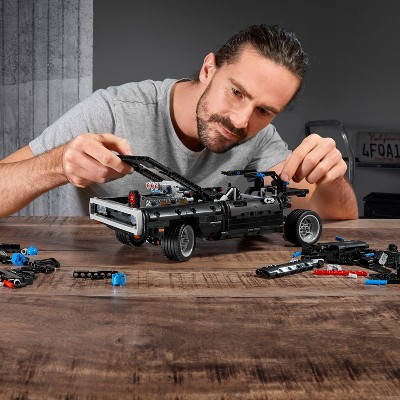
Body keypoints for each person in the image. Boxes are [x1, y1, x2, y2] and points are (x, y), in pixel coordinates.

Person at [0, 24, 358, 219]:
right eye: (236, 92)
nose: (241, 121)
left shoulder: (260, 138)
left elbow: (331, 213)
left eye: (264, 111)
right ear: (209, 69)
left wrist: (332, 179)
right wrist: (57, 164)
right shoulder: (112, 110)